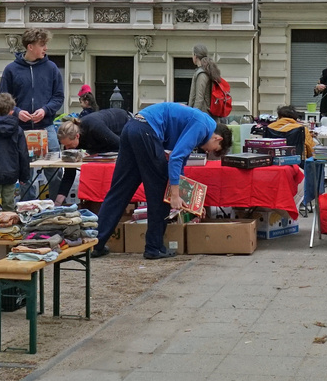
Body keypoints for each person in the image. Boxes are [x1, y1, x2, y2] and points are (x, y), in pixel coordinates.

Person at [90, 102, 230, 260]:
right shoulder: (203, 126)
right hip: (146, 132)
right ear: (218, 138)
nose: (208, 151)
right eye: (214, 149)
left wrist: (190, 202)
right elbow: (176, 158)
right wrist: (175, 195)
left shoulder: (199, 121)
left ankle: (96, 243)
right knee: (161, 192)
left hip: (132, 128)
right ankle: (154, 247)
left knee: (119, 191)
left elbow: (180, 160)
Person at [0, 28, 64, 130]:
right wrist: (17, 112)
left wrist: (45, 110)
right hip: (18, 128)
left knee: (53, 147)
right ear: (30, 47)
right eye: (42, 45)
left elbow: (58, 97)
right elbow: (3, 99)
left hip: (46, 127)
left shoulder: (51, 68)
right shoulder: (11, 70)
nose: (46, 48)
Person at [58, 107, 134, 155]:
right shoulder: (68, 142)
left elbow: (120, 145)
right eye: (65, 145)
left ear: (77, 136)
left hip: (124, 123)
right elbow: (70, 172)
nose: (67, 148)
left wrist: (96, 154)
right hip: (99, 139)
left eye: (69, 145)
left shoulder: (94, 127)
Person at [188, 43, 222, 114]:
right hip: (209, 114)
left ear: (195, 55)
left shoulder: (202, 73)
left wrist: (193, 116)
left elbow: (199, 99)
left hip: (204, 115)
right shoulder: (209, 70)